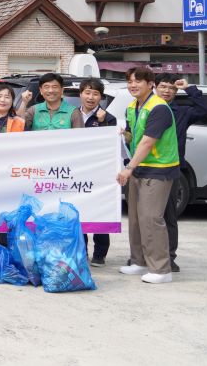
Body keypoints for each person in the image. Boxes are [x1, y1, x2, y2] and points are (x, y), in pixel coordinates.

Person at [118, 67, 178, 284]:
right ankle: (139, 261)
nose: (133, 85)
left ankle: (161, 269)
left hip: (159, 169)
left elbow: (148, 141)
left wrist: (128, 168)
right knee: (135, 218)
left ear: (150, 83)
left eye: (138, 81)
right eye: (130, 81)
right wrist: (121, 134)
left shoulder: (158, 107)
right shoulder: (132, 106)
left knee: (151, 218)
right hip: (139, 168)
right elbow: (134, 137)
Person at [154, 73, 207, 273]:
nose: (167, 91)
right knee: (146, 216)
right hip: (146, 168)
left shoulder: (182, 112)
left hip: (171, 169)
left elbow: (204, 109)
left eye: (171, 88)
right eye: (163, 87)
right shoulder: (147, 108)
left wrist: (189, 88)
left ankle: (169, 257)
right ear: (155, 87)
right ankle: (146, 255)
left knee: (168, 215)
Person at [74, 78, 118, 266]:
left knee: (100, 211)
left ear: (101, 97)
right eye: (87, 92)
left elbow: (110, 145)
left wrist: (101, 123)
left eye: (95, 93)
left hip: (99, 173)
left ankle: (100, 254)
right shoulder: (72, 114)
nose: (91, 97)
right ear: (81, 94)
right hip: (76, 171)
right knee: (79, 212)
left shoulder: (108, 117)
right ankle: (81, 251)